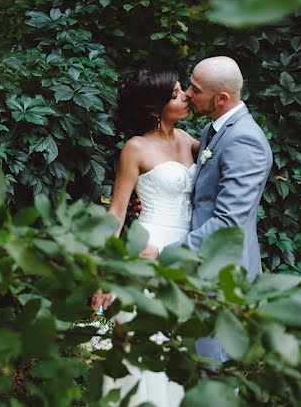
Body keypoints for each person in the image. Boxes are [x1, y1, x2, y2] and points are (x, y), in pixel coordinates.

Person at [142, 56, 273, 363]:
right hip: (201, 266)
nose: (187, 93)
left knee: (211, 366)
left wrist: (164, 254)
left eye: (195, 89)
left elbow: (227, 223)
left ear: (221, 98)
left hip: (222, 272)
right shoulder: (210, 132)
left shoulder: (245, 142)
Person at [91, 69, 199, 406]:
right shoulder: (135, 148)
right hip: (148, 248)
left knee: (184, 341)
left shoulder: (193, 142)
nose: (185, 98)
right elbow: (118, 212)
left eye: (183, 91)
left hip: (188, 250)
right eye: (176, 94)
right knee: (149, 339)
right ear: (155, 109)